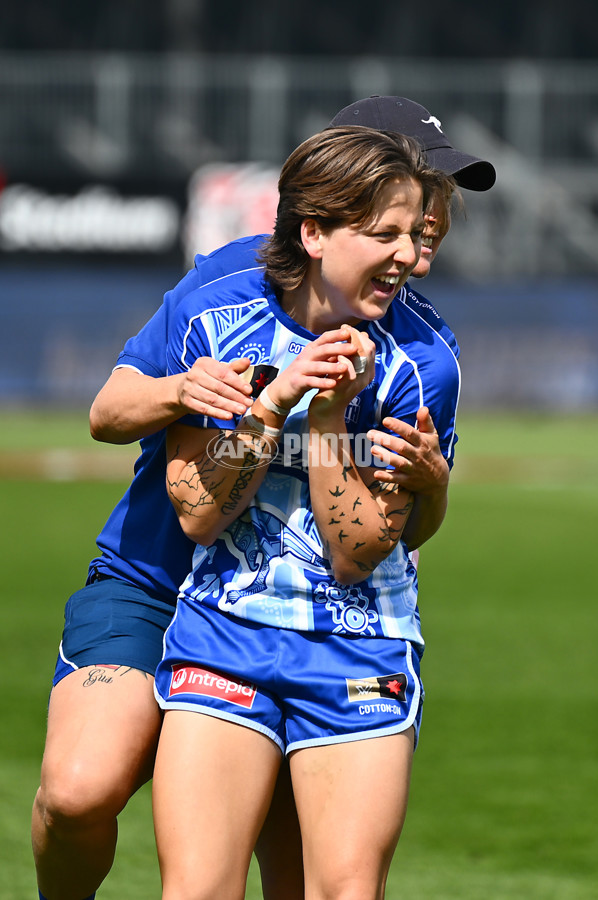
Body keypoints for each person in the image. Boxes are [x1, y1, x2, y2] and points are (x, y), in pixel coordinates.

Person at [32, 96, 495, 900]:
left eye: (428, 218)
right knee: (79, 790)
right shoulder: (228, 288)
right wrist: (193, 389)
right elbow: (111, 412)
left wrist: (434, 486)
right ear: (336, 198)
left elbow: (394, 535)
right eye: (414, 205)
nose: (423, 244)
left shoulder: (421, 349)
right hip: (158, 576)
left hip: (309, 612)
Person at [152, 125, 460, 899]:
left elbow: (359, 554)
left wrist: (327, 421)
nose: (406, 255)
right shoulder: (222, 325)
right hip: (224, 633)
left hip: (358, 646)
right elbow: (195, 514)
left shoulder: (422, 362)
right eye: (381, 233)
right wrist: (275, 398)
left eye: (412, 235)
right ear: (314, 232)